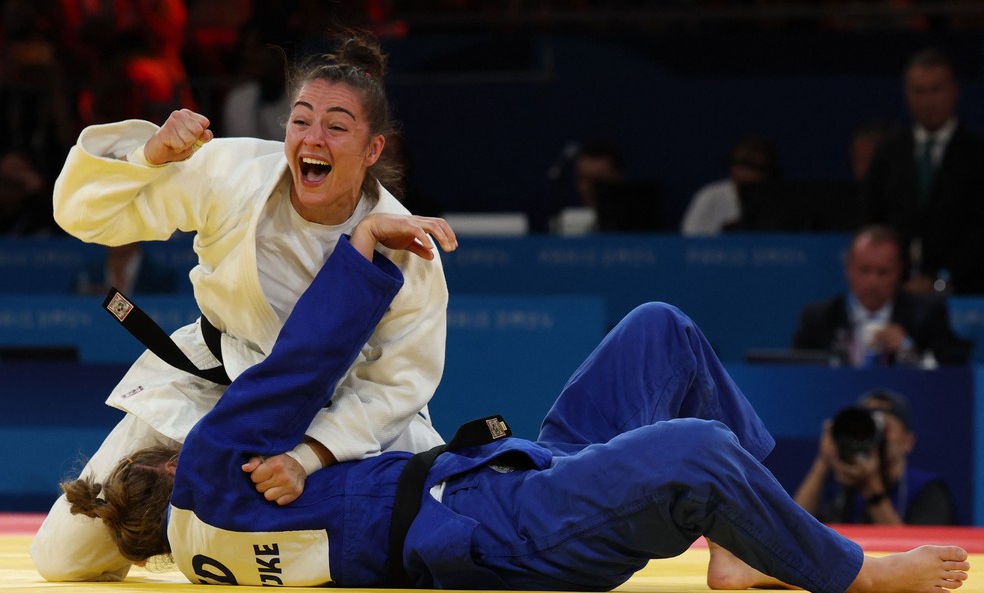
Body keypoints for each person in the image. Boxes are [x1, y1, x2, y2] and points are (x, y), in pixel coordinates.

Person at [58, 223, 971, 592]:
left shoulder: (213, 548)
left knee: (659, 331)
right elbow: (294, 371)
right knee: (692, 446)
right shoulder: (211, 477)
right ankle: (849, 573)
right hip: (508, 528)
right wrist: (367, 257)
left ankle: (739, 554)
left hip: (500, 489)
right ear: (170, 464)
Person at [32, 30, 452, 582]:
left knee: (417, 536)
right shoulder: (232, 174)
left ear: (373, 149)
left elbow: (396, 385)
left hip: (332, 417)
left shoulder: (408, 247)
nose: (312, 139)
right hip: (216, 386)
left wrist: (308, 457)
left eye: (337, 127)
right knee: (64, 558)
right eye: (301, 121)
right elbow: (83, 216)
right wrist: (147, 155)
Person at [862, 47, 984, 295]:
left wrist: (941, 281)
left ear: (954, 91)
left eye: (936, 90)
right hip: (897, 294)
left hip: (966, 294)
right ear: (907, 95)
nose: (928, 101)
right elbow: (872, 220)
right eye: (919, 91)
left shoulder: (977, 154)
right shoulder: (889, 154)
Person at [792, 224, 972, 367]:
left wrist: (909, 350)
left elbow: (953, 372)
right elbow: (798, 374)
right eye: (864, 270)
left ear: (900, 271)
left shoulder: (927, 314)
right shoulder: (819, 318)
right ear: (848, 269)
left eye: (883, 272)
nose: (872, 281)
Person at [793, 389, 956, 526]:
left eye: (885, 429)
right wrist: (823, 461)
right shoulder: (842, 489)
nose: (876, 439)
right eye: (868, 429)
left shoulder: (928, 490)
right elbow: (792, 529)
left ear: (907, 441)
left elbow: (915, 553)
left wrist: (872, 488)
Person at [680, 134, 781, 236]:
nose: (744, 172)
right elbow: (689, 238)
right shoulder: (710, 195)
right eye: (739, 164)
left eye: (752, 166)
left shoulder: (779, 199)